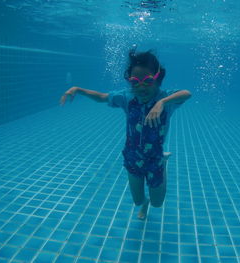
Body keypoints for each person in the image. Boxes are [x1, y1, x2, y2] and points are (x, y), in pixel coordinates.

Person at [60, 49, 191, 220]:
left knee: (157, 203)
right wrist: (77, 89)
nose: (141, 87)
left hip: (154, 158)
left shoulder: (165, 99)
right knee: (138, 201)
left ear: (157, 79)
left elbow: (187, 93)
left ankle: (163, 164)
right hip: (132, 157)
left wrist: (162, 102)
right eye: (135, 82)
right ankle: (144, 204)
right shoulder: (126, 97)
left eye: (148, 81)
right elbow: (101, 97)